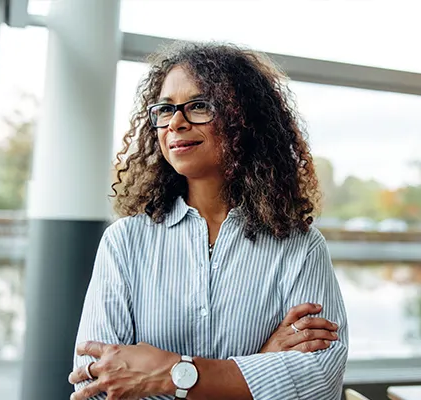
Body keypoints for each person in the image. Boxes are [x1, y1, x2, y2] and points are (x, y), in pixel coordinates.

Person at [67, 41, 349, 400]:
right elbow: (94, 386)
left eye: (199, 106)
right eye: (166, 109)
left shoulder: (300, 246)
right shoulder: (124, 242)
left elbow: (319, 381)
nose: (176, 123)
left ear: (243, 120)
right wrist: (258, 367)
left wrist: (167, 374)